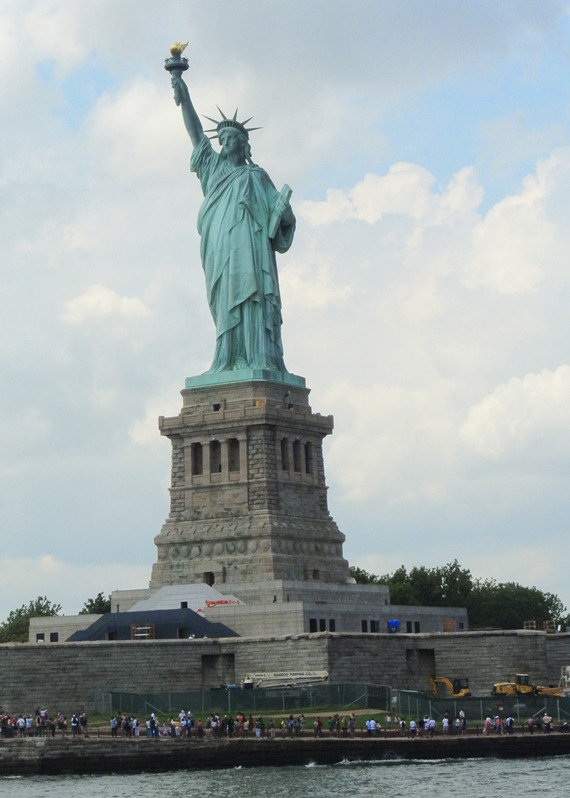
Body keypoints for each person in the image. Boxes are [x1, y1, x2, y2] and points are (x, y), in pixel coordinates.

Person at [170, 71, 295, 374]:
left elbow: (279, 216)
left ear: (243, 144)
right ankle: (227, 357)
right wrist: (183, 94)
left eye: (230, 139)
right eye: (222, 139)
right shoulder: (211, 168)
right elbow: (195, 132)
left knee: (253, 297)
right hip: (220, 245)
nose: (225, 143)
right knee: (225, 297)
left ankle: (256, 356)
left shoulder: (257, 176)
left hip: (251, 248)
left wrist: (285, 214)